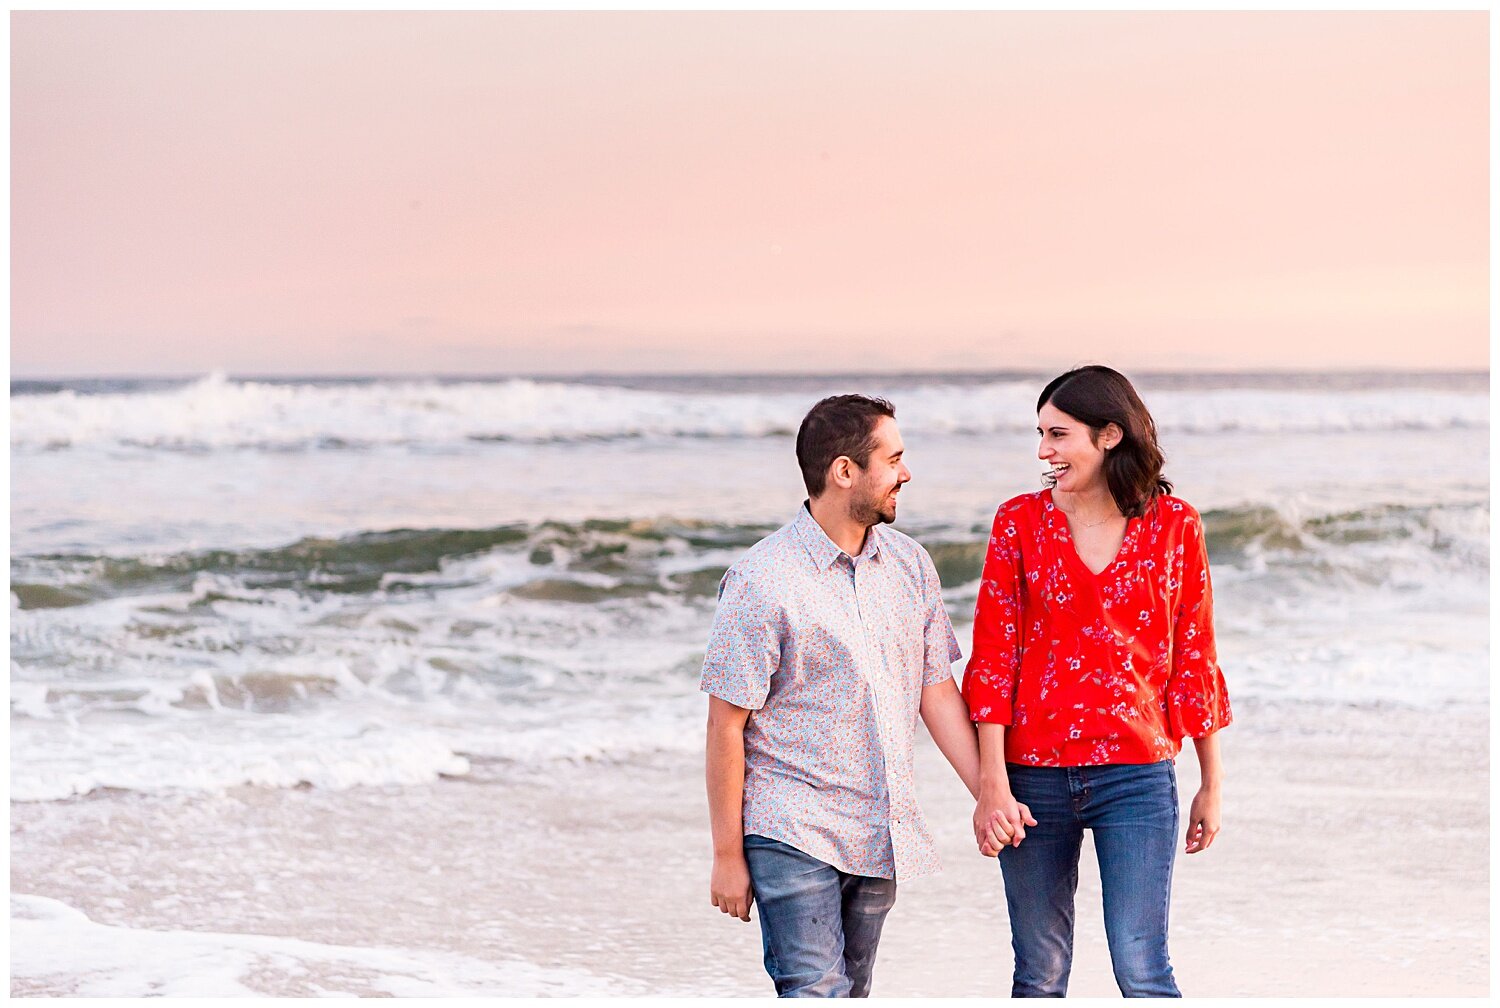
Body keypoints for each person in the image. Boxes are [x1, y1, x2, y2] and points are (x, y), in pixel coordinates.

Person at [701, 393, 995, 998]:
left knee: (852, 994)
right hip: (791, 828)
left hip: (879, 826)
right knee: (815, 993)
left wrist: (990, 794)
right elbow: (725, 725)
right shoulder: (762, 580)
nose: (905, 474)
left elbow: (935, 691)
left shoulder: (911, 565)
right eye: (893, 459)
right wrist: (728, 855)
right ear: (844, 472)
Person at [963, 365, 1232, 998]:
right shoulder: (1018, 523)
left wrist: (1211, 784)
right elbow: (994, 658)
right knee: (1039, 973)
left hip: (1137, 776)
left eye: (1058, 435)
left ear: (1109, 435)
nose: (1043, 451)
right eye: (1040, 435)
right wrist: (991, 784)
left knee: (1143, 968)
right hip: (1030, 779)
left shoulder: (1175, 525)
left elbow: (1194, 656)